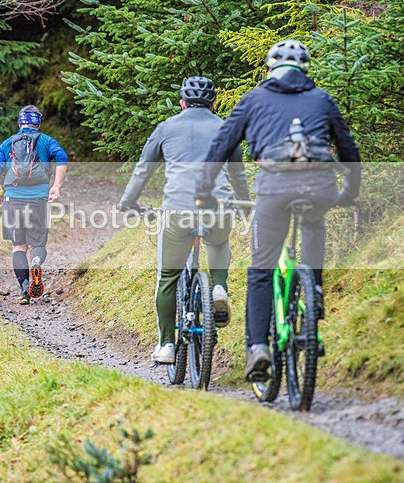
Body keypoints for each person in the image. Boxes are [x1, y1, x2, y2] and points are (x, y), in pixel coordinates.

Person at [195, 40, 361, 381]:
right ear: (305, 69)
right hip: (319, 187)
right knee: (314, 224)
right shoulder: (322, 98)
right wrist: (349, 192)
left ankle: (258, 347)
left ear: (269, 69)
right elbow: (348, 148)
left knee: (261, 269)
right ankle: (313, 290)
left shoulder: (253, 99)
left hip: (274, 188)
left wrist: (202, 189)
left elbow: (221, 147)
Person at [119, 76, 250, 364]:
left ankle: (166, 345)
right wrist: (244, 206)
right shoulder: (226, 127)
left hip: (178, 211)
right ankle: (218, 287)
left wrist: (128, 202)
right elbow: (238, 174)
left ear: (181, 102)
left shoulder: (166, 127)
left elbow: (143, 169)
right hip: (219, 208)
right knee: (218, 242)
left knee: (167, 276)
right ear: (214, 104)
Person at [0, 105, 68, 304]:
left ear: (19, 123)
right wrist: (56, 187)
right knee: (38, 243)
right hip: (38, 199)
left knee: (18, 247)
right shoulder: (47, 140)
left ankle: (24, 290)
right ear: (38, 123)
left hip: (13, 199)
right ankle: (36, 262)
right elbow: (62, 158)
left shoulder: (8, 143)